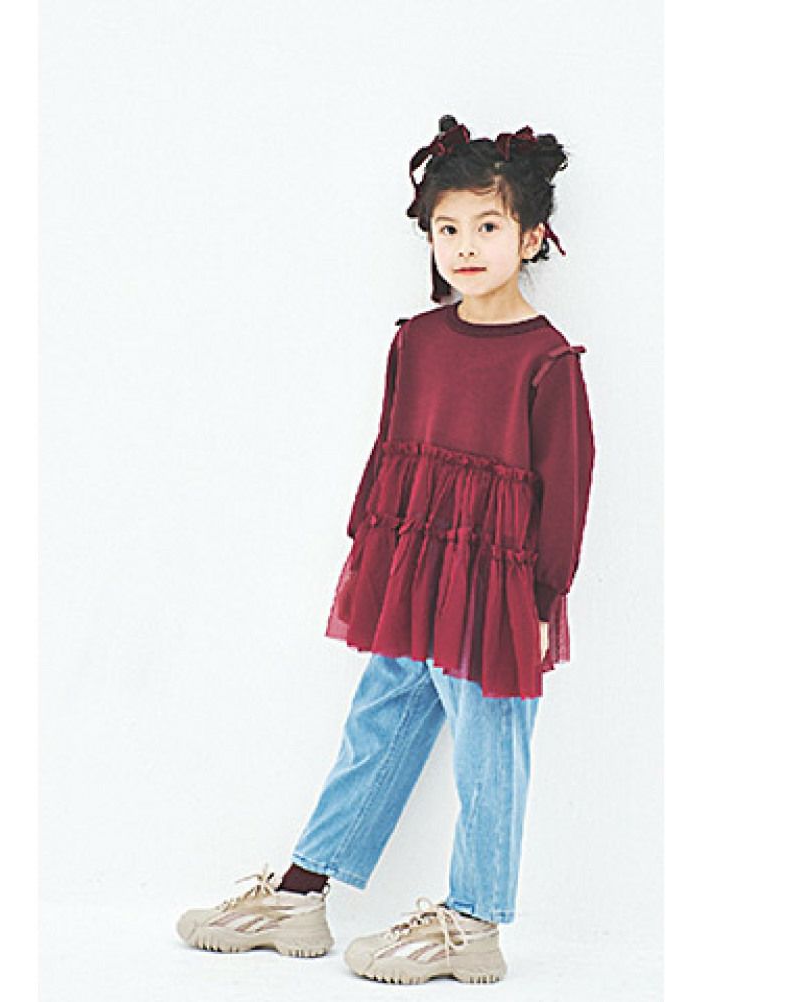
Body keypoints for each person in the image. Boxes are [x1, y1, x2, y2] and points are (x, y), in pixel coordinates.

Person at [176, 114, 596, 986]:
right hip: (415, 569)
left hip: (498, 583)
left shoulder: (548, 360)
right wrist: (374, 557)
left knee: (490, 744)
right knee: (379, 719)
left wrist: (543, 600)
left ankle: (474, 920)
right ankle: (302, 894)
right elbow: (391, 453)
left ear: (530, 236)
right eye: (448, 228)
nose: (466, 246)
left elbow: (566, 489)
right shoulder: (417, 340)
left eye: (487, 226)